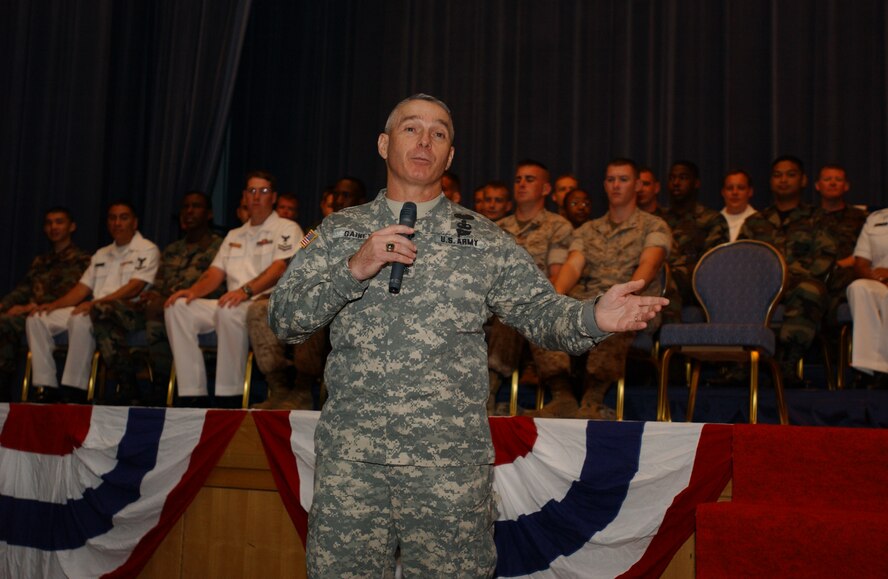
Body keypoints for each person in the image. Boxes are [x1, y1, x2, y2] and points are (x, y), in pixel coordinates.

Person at [268, 94, 667, 577]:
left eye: (439, 134)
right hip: (353, 463)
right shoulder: (335, 232)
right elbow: (284, 319)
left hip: (449, 466)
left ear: (450, 156)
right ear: (383, 143)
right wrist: (353, 270)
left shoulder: (485, 239)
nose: (425, 141)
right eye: (411, 129)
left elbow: (542, 313)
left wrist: (594, 318)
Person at [546, 159, 671, 419]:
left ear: (637, 185)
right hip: (589, 304)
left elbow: (650, 264)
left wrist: (626, 295)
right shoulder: (590, 229)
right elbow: (573, 266)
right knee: (546, 314)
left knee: (612, 315)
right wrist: (554, 295)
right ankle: (563, 396)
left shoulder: (654, 225)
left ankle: (592, 401)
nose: (616, 185)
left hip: (635, 306)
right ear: (604, 184)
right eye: (611, 179)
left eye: (623, 179)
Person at [164, 171, 302, 406]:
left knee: (228, 309)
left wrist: (245, 292)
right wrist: (193, 291)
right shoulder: (233, 234)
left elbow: (280, 267)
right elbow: (215, 272)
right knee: (178, 307)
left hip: (263, 304)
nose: (257, 196)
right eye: (252, 191)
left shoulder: (286, 227)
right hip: (234, 300)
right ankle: (192, 392)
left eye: (264, 191)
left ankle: (230, 394)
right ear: (244, 197)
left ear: (274, 197)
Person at [90, 192, 223, 404]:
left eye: (196, 206)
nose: (189, 212)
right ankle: (127, 384)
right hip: (157, 306)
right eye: (185, 207)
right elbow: (158, 284)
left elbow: (216, 286)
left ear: (209, 214)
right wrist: (153, 296)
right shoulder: (172, 250)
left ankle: (161, 387)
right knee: (102, 309)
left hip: (193, 309)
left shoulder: (220, 247)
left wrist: (165, 298)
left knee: (160, 308)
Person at [26, 202, 160, 402]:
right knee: (36, 318)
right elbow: (82, 289)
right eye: (112, 218)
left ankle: (75, 387)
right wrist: (52, 306)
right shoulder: (101, 254)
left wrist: (97, 303)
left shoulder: (147, 249)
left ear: (134, 222)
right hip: (96, 309)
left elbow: (136, 286)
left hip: (128, 312)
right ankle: (45, 386)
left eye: (123, 217)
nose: (117, 223)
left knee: (83, 316)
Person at [487, 159, 574, 415]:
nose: (522, 184)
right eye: (518, 179)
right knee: (508, 309)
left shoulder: (558, 226)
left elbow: (558, 278)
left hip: (540, 302)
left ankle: (562, 395)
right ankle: (487, 393)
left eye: (529, 179)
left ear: (546, 189)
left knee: (534, 311)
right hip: (498, 305)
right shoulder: (498, 229)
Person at [739, 155, 837, 383]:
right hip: (761, 287)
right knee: (739, 292)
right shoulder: (756, 221)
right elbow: (742, 258)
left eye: (790, 175)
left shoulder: (818, 218)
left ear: (803, 180)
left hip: (801, 284)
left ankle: (788, 363)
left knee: (809, 289)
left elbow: (826, 258)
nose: (783, 180)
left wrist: (786, 277)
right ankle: (741, 364)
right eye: (777, 175)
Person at [0, 207, 90, 399]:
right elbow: (24, 289)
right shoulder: (41, 261)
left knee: (5, 325)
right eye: (49, 223)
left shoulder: (83, 260)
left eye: (59, 222)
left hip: (60, 313)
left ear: (71, 226)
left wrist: (29, 307)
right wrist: (4, 305)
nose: (53, 227)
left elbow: (76, 293)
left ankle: (4, 385)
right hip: (33, 312)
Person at [815, 164, 868, 320]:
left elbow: (870, 252)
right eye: (827, 179)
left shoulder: (862, 218)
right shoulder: (806, 217)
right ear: (817, 186)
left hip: (847, 275)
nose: (832, 183)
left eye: (838, 180)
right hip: (814, 275)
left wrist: (840, 265)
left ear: (846, 186)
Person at [846, 208, 888, 384]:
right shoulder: (876, 218)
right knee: (859, 287)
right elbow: (861, 262)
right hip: (880, 281)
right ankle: (868, 367)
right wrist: (872, 275)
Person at [720, 170, 757, 242]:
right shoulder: (713, 222)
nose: (735, 192)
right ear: (723, 192)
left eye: (741, 188)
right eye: (730, 188)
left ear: (750, 192)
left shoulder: (760, 222)